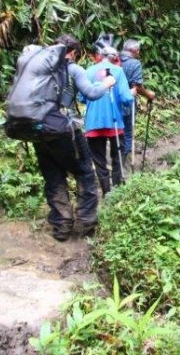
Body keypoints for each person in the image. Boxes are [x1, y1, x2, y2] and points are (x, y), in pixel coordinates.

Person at [33, 34, 115, 241]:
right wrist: (107, 82)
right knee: (85, 173)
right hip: (66, 131)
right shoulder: (72, 69)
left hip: (39, 130)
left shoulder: (40, 69)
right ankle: (86, 222)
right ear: (72, 53)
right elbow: (92, 93)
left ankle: (61, 226)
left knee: (53, 177)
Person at [81, 45, 134, 196]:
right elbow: (126, 98)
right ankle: (117, 189)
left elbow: (82, 98)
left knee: (99, 160)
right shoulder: (118, 71)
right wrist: (131, 93)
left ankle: (106, 192)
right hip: (114, 121)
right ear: (115, 58)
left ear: (100, 56)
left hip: (93, 122)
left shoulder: (89, 71)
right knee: (117, 156)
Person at [119, 39, 155, 171]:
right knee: (127, 132)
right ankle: (125, 165)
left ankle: (113, 161)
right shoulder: (134, 63)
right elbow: (137, 86)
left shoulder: (113, 59)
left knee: (115, 131)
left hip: (110, 103)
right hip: (126, 102)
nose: (139, 53)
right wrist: (149, 95)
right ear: (133, 50)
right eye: (138, 50)